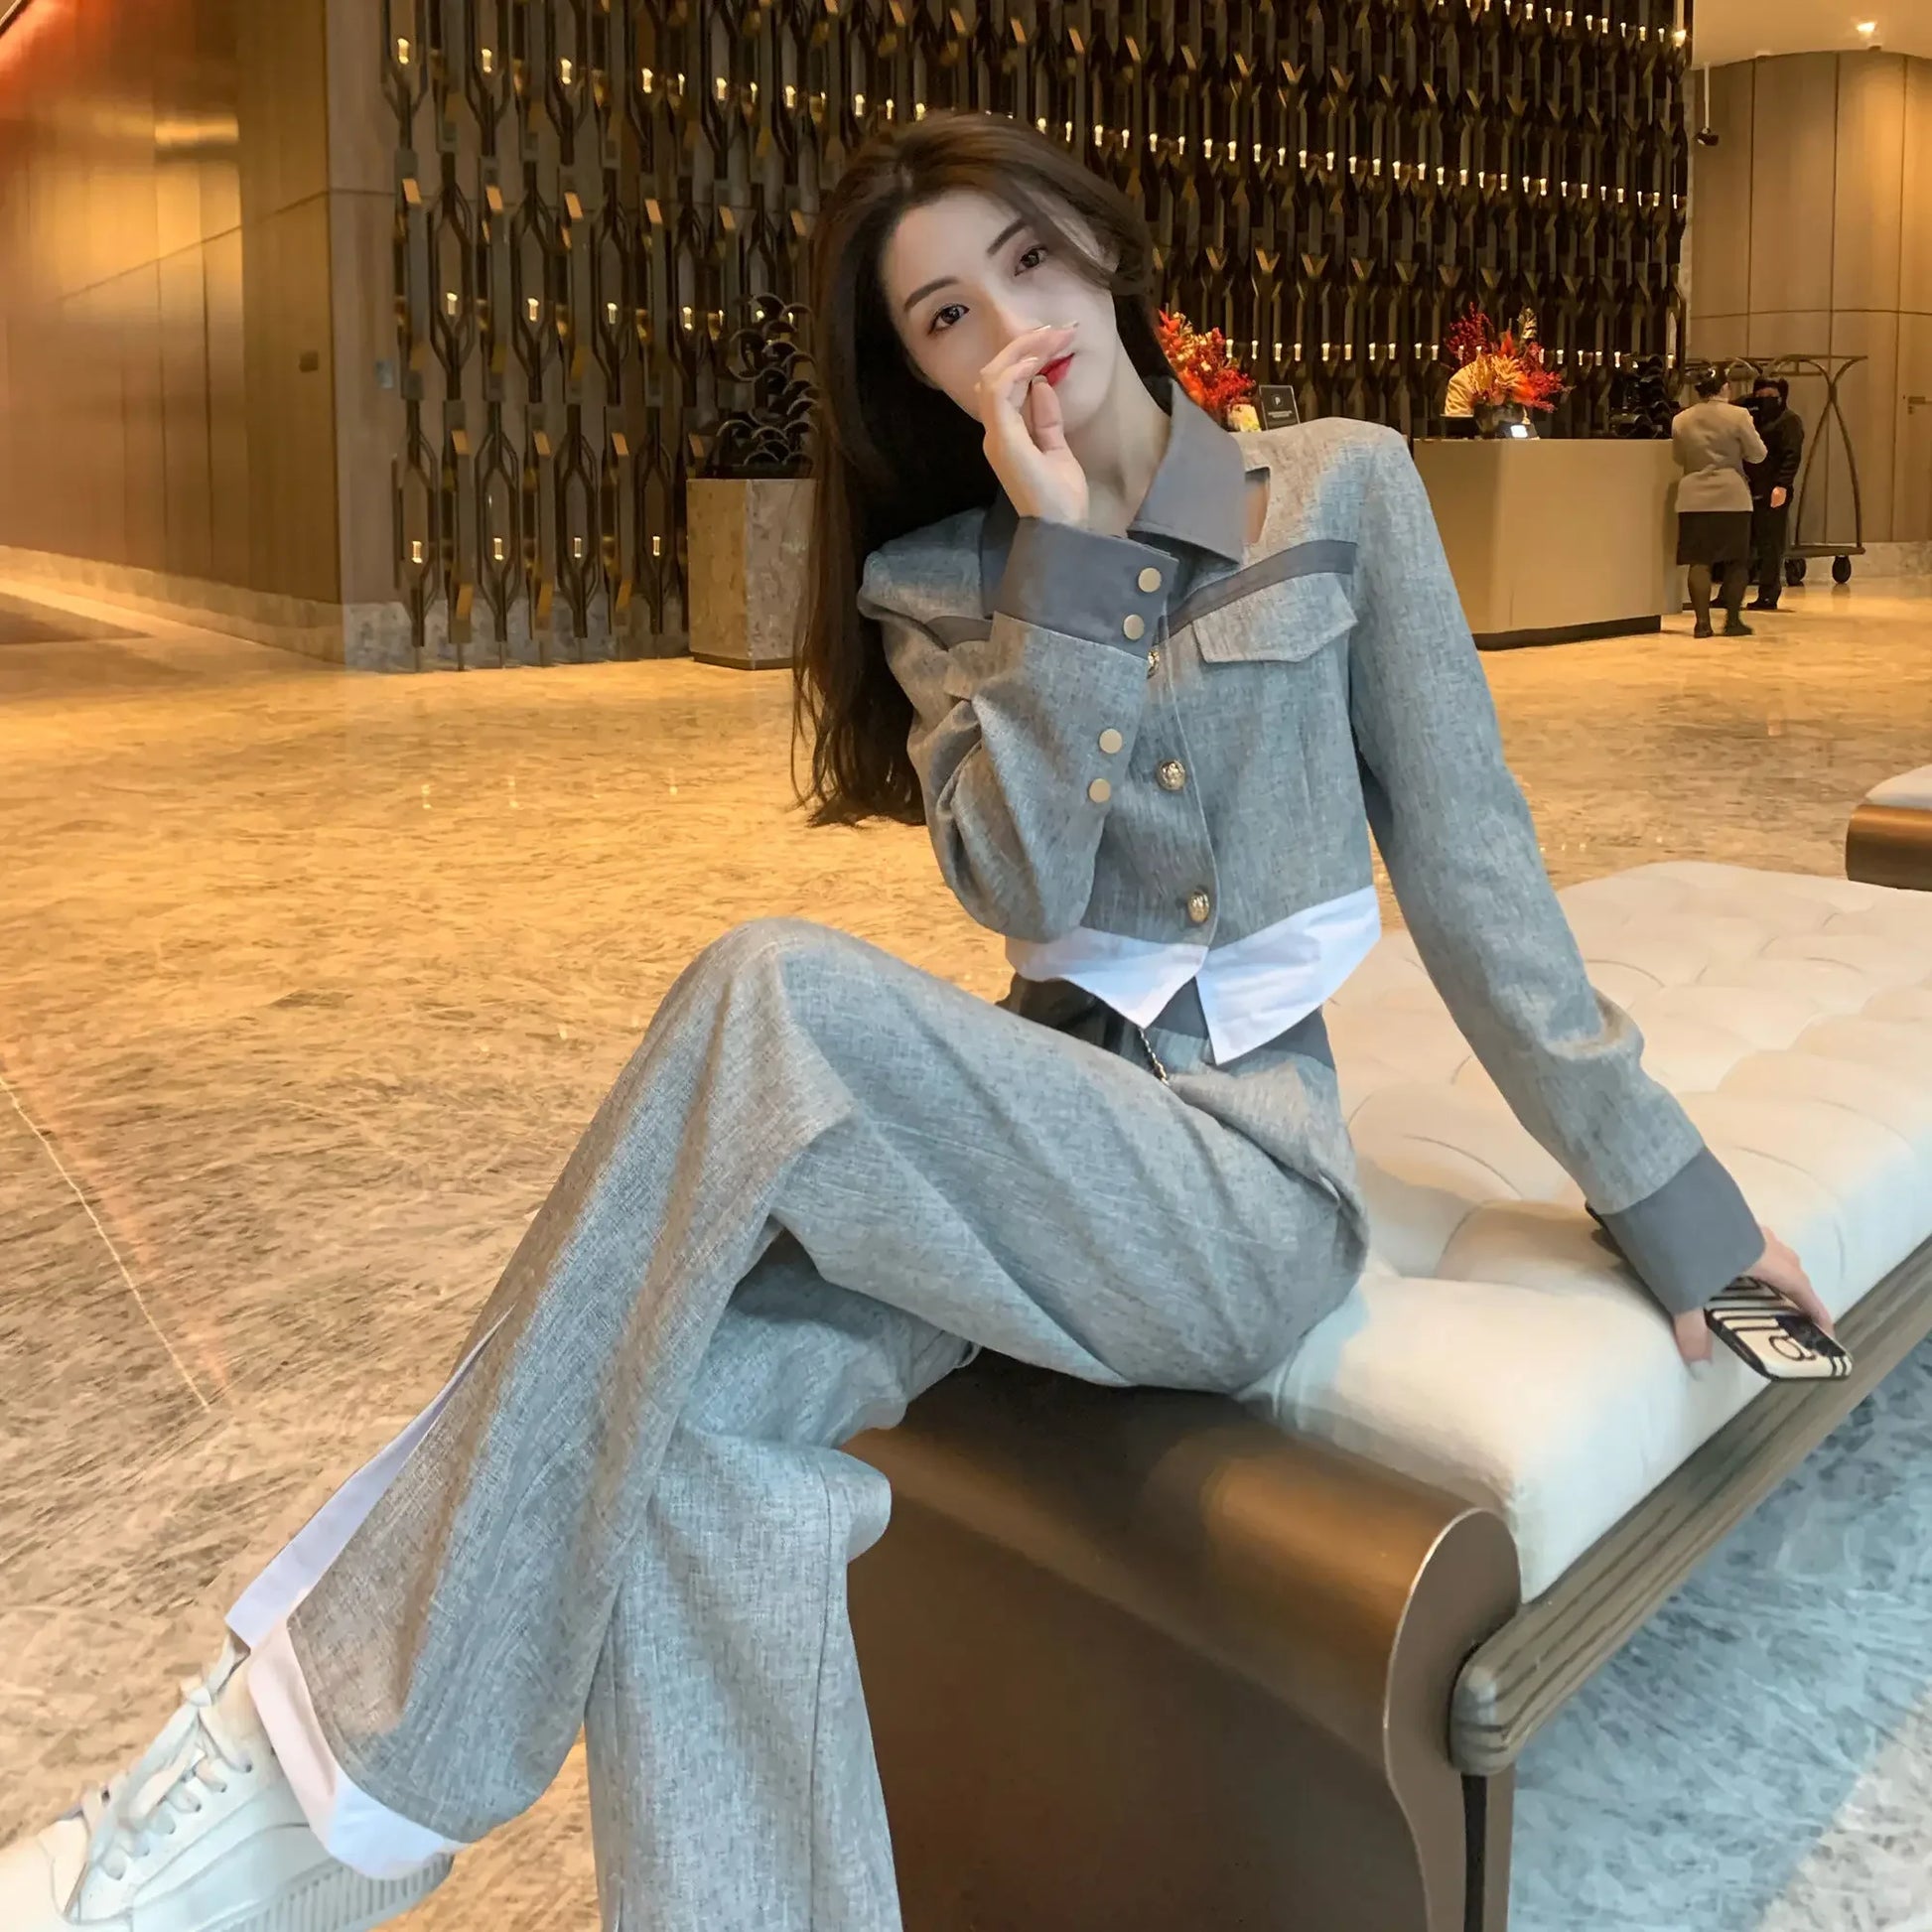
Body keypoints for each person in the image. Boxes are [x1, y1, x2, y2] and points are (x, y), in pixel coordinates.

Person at [0, 111, 1832, 1932]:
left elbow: (1475, 877)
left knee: (771, 990)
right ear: (923, 372)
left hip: (1240, 1188)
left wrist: (1681, 1214)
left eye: (1027, 260)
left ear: (1103, 249)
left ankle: (340, 1772)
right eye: (948, 315)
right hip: (1023, 1135)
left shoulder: (1340, 491)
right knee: (703, 1422)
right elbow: (1018, 888)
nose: (1009, 324)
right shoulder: (942, 582)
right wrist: (1064, 563)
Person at [1671, 363, 1768, 638]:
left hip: (1693, 496)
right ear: (1725, 387)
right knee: (1737, 560)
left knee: (1699, 561)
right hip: (1732, 495)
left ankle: (1702, 622)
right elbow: (1758, 454)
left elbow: (1678, 457)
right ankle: (1733, 621)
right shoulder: (1738, 415)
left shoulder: (1681, 419)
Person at [1744, 374, 1804, 611]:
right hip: (1750, 485)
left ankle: (1769, 593)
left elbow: (1792, 455)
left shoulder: (1789, 421)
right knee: (1747, 542)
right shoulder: (1752, 418)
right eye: (1760, 395)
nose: (1764, 399)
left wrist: (1782, 485)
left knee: (1771, 543)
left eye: (1770, 395)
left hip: (1773, 488)